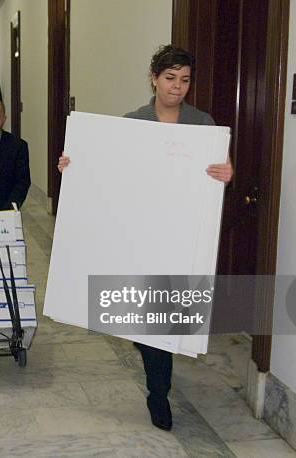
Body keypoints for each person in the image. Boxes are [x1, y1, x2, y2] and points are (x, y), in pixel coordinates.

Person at [57, 45, 233, 431]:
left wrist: (225, 173)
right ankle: (157, 384)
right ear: (154, 78)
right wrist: (76, 163)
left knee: (162, 317)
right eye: (170, 78)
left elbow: (211, 178)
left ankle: (158, 392)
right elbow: (109, 171)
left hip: (179, 235)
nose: (177, 88)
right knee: (151, 317)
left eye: (185, 80)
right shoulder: (132, 123)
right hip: (138, 233)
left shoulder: (203, 126)